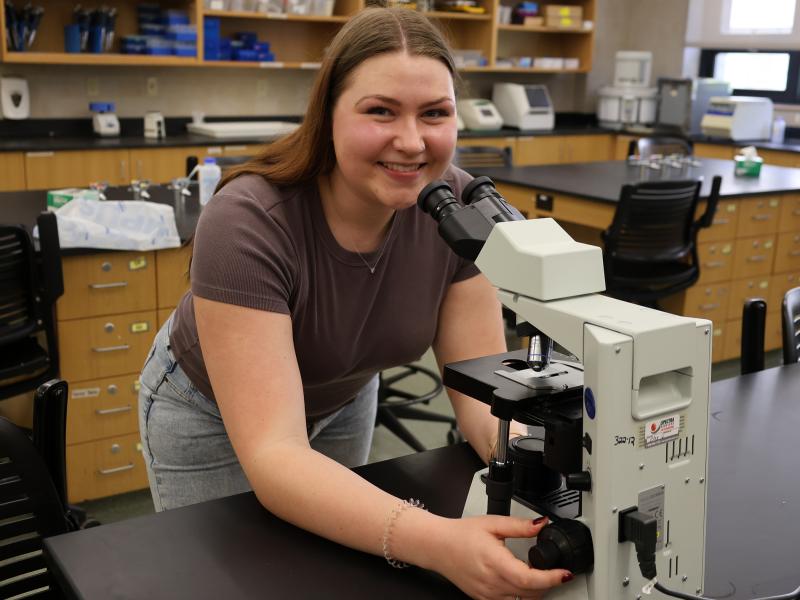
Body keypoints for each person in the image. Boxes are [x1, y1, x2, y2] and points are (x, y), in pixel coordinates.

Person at [138, 7, 570, 599]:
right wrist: (441, 543)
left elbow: (480, 397)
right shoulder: (248, 221)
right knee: (227, 581)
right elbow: (275, 454)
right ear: (329, 114)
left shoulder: (459, 211)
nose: (412, 141)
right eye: (380, 111)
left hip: (345, 386)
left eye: (435, 114)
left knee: (331, 569)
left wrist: (545, 469)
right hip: (204, 407)